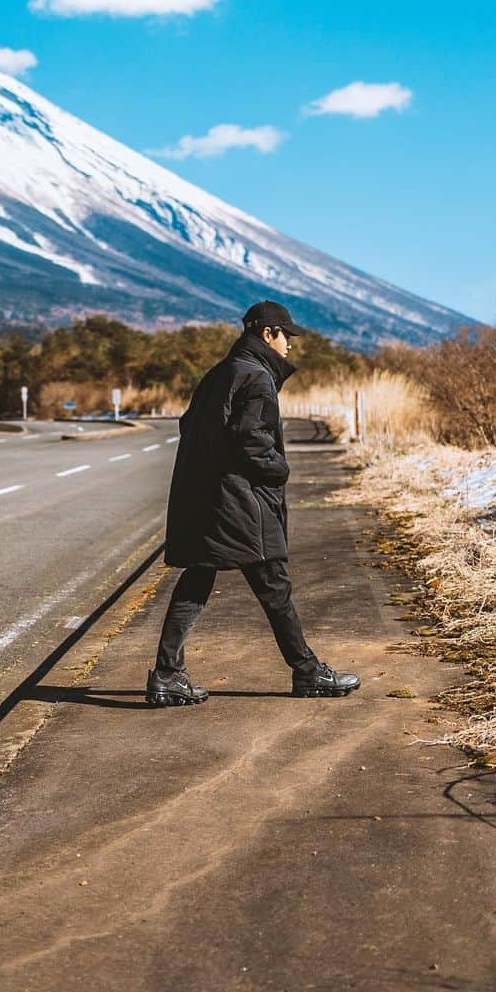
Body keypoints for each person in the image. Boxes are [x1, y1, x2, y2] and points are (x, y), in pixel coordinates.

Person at [146, 299, 361, 707]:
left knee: (197, 579)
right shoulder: (257, 379)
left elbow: (190, 425)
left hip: (208, 499)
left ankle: (167, 675)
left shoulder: (219, 374)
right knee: (274, 585)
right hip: (242, 503)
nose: (290, 345)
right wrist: (279, 470)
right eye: (286, 335)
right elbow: (251, 440)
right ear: (268, 334)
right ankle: (308, 671)